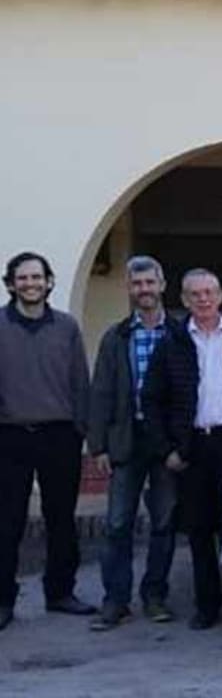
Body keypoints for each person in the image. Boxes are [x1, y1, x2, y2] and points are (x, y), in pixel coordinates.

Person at [142, 268, 222, 631]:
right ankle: (207, 604)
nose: (203, 299)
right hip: (192, 447)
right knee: (199, 529)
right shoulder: (172, 342)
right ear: (183, 300)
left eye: (209, 292)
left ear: (221, 295)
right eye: (195, 294)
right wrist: (166, 449)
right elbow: (152, 401)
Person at [0, 252, 95, 630]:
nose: (30, 284)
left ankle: (60, 593)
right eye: (22, 278)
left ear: (49, 281)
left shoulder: (67, 327)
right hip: (9, 436)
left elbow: (80, 382)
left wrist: (83, 433)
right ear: (11, 284)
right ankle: (3, 600)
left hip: (60, 435)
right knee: (6, 522)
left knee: (61, 519)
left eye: (36, 277)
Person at [87, 256, 182, 631]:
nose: (144, 289)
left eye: (149, 282)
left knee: (164, 522)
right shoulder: (116, 337)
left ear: (162, 285)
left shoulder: (179, 333)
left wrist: (182, 444)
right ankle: (116, 600)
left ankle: (155, 595)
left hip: (165, 444)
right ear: (128, 288)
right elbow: (101, 392)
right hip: (126, 440)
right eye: (137, 284)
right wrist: (98, 446)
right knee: (117, 524)